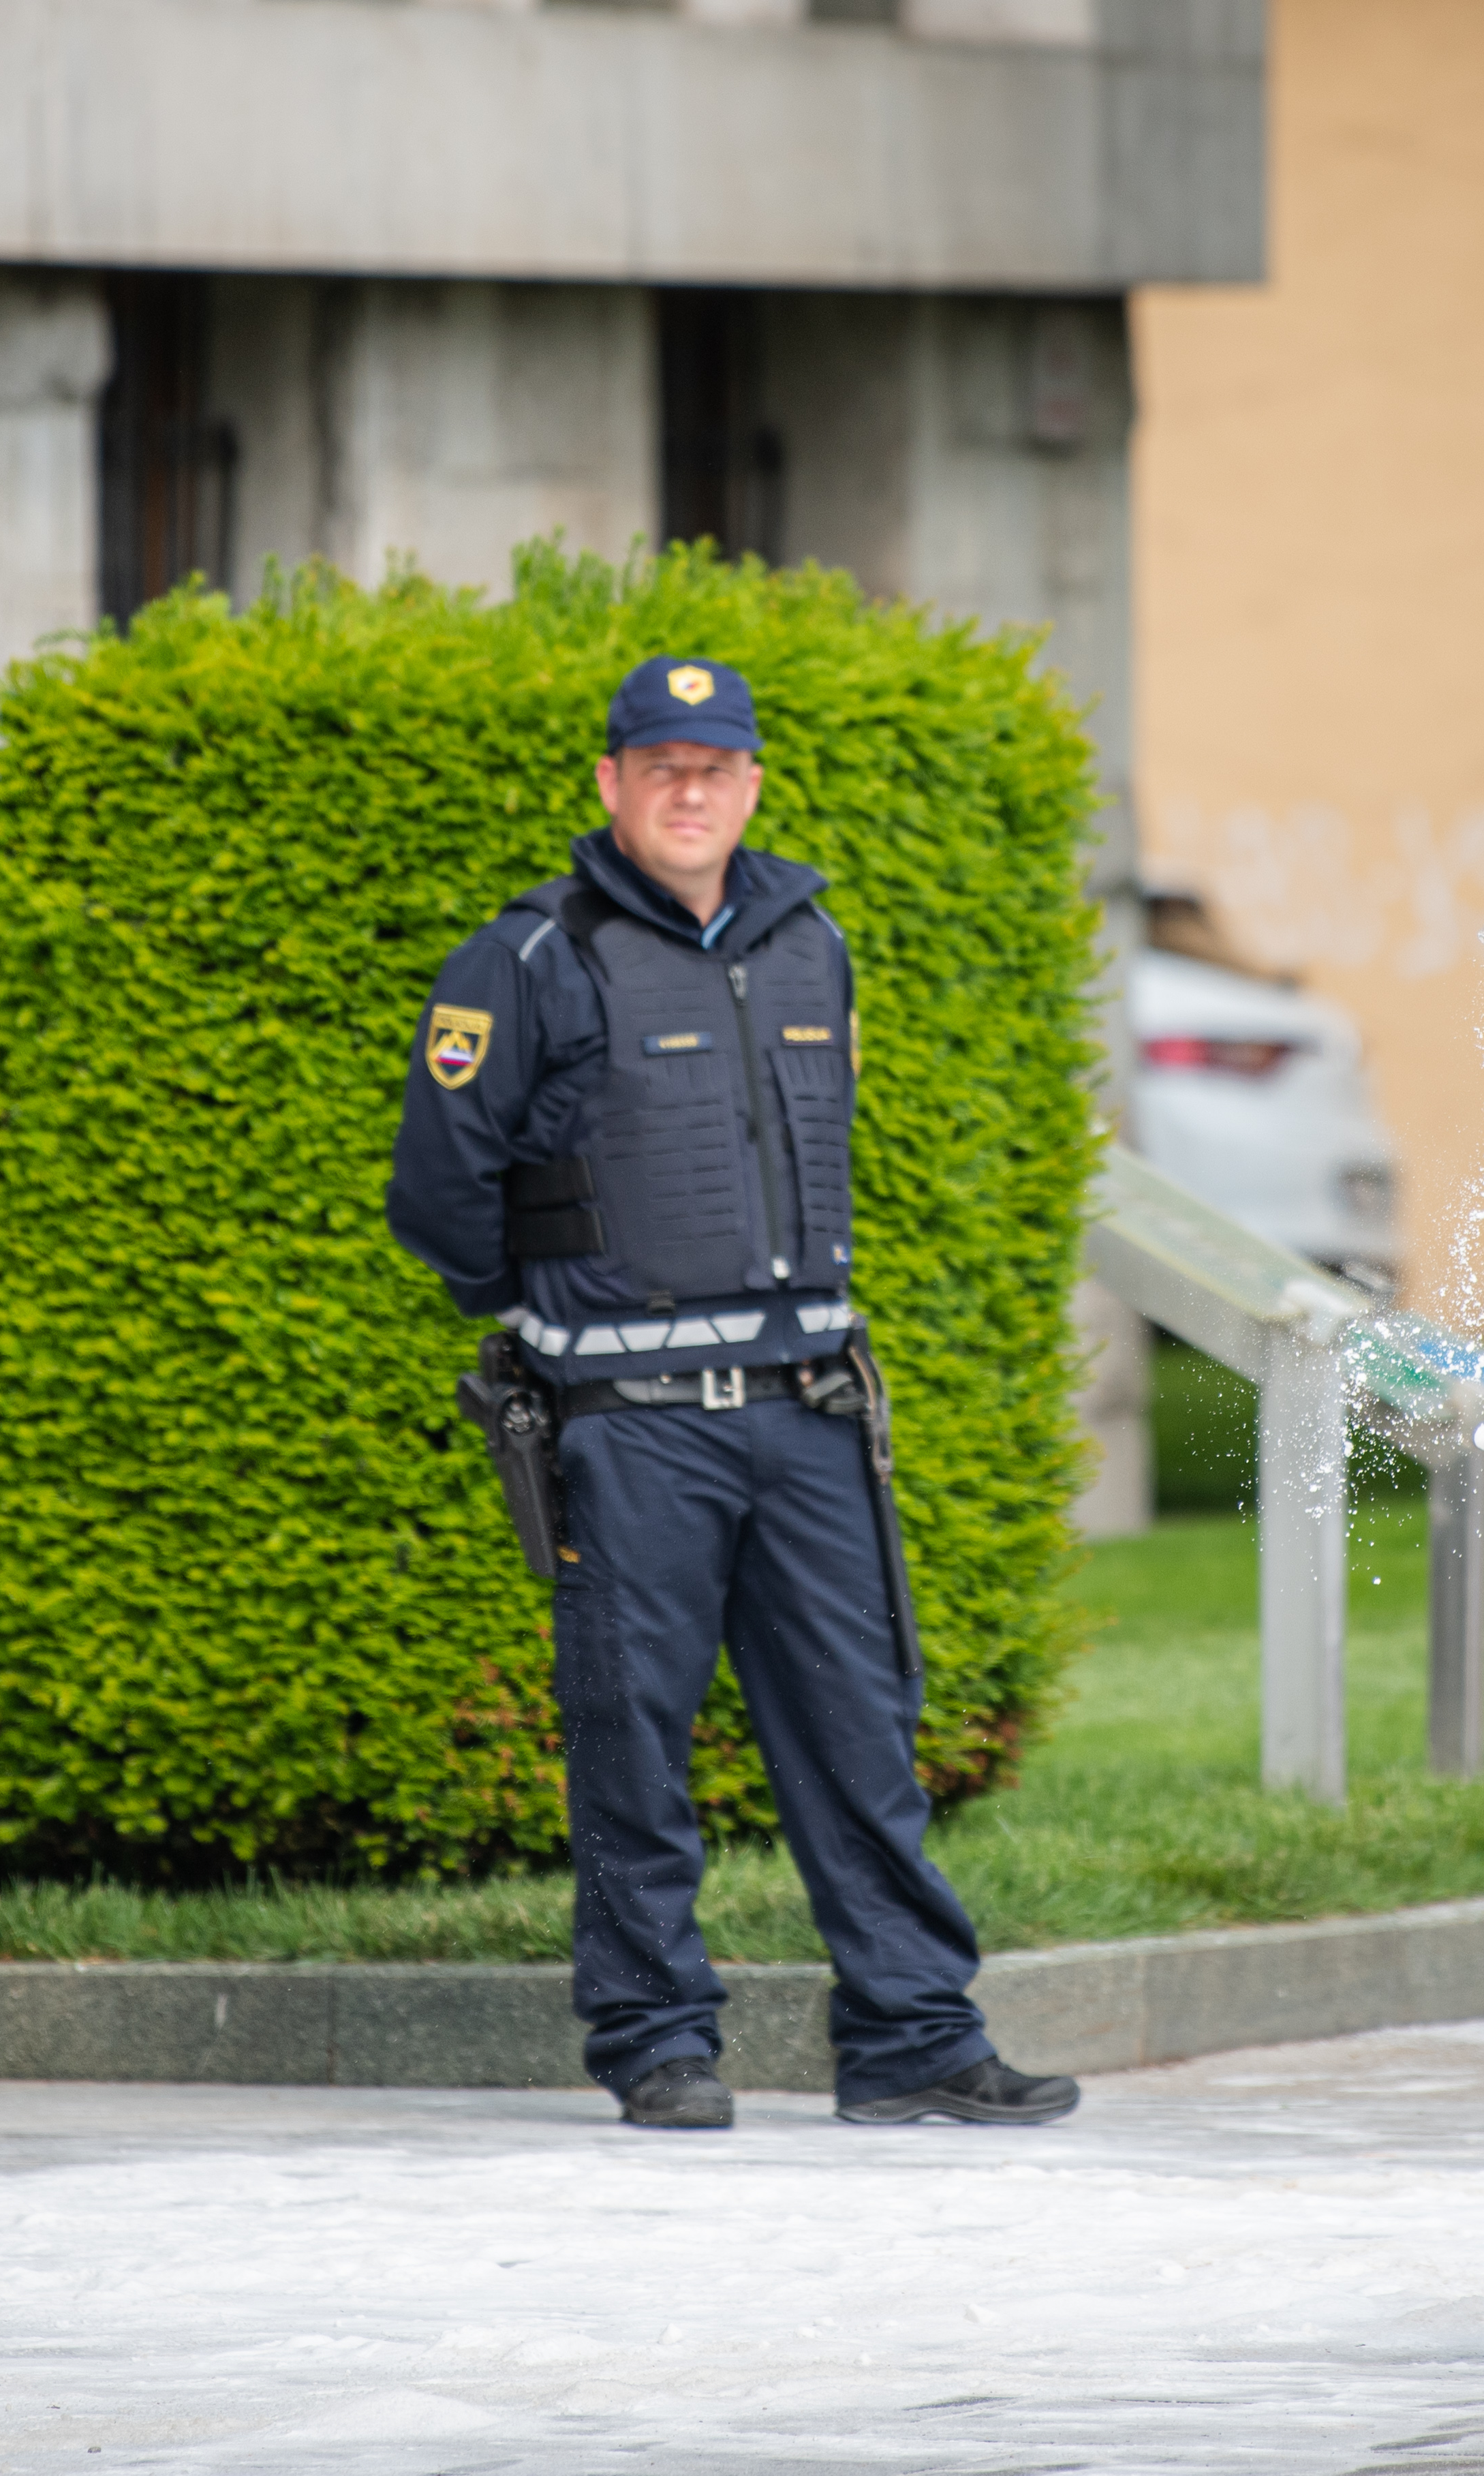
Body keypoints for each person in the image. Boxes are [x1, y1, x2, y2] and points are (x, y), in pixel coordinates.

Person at [386, 655, 1079, 2135]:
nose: (690, 788)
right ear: (613, 785)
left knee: (858, 1723)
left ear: (753, 783)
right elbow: (441, 1193)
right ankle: (656, 2041)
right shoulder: (526, 956)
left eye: (717, 765)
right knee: (633, 1734)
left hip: (809, 1407)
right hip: (630, 1426)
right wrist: (548, 1317)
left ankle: (910, 2035)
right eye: (662, 765)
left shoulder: (808, 937)